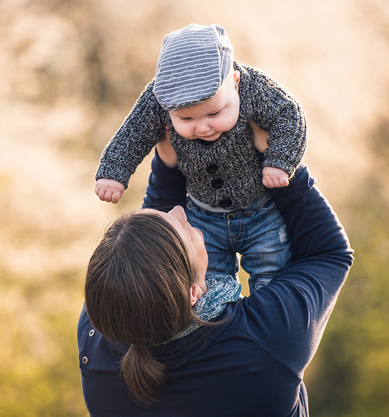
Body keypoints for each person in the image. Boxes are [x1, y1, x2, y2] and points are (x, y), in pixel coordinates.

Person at [78, 153, 353, 416]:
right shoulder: (266, 339)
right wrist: (279, 158)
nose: (179, 211)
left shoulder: (96, 332)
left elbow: (150, 265)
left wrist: (168, 166)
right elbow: (328, 253)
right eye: (184, 229)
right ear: (193, 294)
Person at [94, 23, 308, 291]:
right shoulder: (159, 99)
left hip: (261, 211)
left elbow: (290, 115)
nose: (203, 127)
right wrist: (113, 172)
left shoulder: (255, 87)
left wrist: (279, 161)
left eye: (215, 114)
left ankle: (271, 323)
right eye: (186, 119)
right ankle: (221, 327)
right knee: (208, 284)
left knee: (273, 274)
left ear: (235, 81)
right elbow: (132, 134)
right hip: (203, 219)